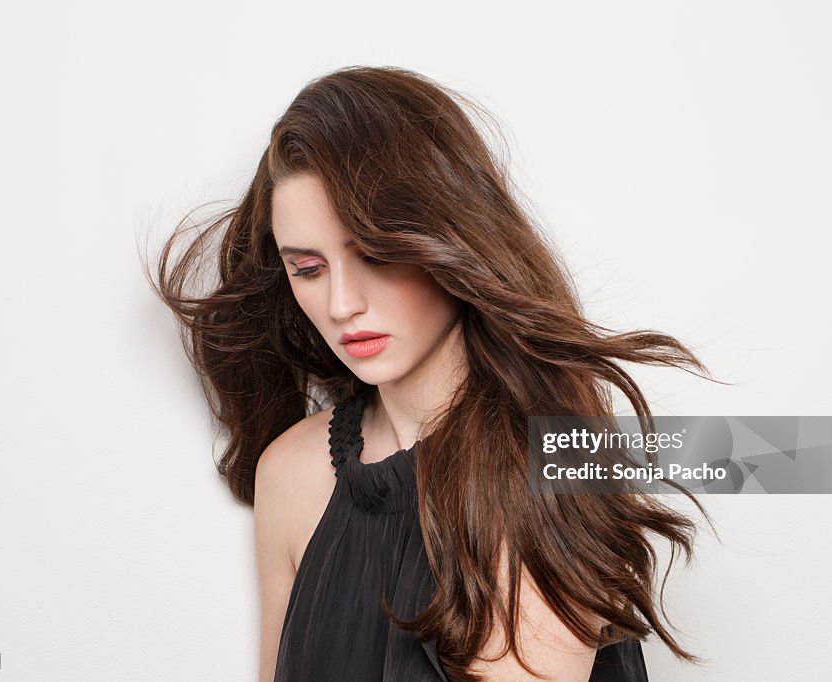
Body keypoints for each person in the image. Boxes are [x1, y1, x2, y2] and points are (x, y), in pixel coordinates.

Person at [150, 65, 715, 681]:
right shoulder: (290, 474)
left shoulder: (547, 469)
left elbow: (791, 453)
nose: (342, 304)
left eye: (376, 252)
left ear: (452, 238)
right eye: (308, 268)